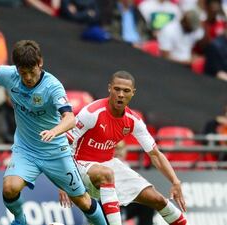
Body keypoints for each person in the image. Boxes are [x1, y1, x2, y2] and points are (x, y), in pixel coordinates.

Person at [0, 40, 107, 225]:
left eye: (31, 72)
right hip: (26, 150)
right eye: (23, 73)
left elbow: (69, 119)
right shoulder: (9, 75)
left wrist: (54, 131)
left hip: (55, 151)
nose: (28, 78)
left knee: (82, 200)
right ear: (16, 68)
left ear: (40, 63)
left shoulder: (52, 86)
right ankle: (20, 221)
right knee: (9, 188)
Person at [60, 71, 188, 225]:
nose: (121, 94)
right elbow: (64, 144)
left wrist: (175, 181)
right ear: (110, 88)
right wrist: (65, 180)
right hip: (79, 164)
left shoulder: (132, 120)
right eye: (117, 89)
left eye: (126, 91)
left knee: (158, 200)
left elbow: (155, 154)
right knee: (107, 174)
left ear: (133, 93)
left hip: (107, 164)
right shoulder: (92, 112)